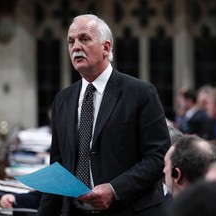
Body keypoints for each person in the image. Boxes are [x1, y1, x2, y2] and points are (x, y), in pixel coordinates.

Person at [37, 14, 171, 216]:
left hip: (126, 208)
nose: (75, 47)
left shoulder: (140, 93)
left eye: (84, 39)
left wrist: (114, 189)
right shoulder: (62, 100)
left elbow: (158, 157)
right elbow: (58, 170)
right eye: (71, 42)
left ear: (106, 48)